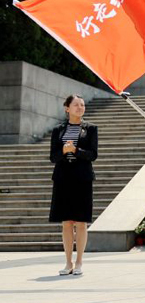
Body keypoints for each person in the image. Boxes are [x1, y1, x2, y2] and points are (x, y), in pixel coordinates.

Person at [50, 94, 97, 276]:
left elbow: (93, 154)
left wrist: (75, 150)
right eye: (76, 105)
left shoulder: (90, 129)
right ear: (67, 108)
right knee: (67, 222)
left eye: (82, 105)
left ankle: (79, 262)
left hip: (82, 178)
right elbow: (53, 157)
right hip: (63, 178)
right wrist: (64, 150)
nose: (80, 107)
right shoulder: (58, 130)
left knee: (81, 222)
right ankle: (68, 262)